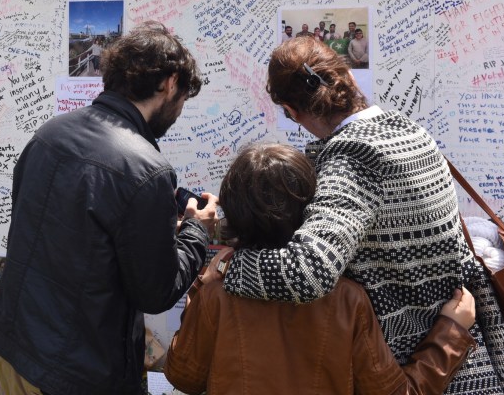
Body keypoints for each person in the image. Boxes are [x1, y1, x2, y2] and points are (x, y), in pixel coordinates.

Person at [220, 37, 504, 394]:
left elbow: (308, 272)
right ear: (349, 78)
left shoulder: (354, 156)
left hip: (414, 372)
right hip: (463, 357)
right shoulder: (409, 131)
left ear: (291, 110)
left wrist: (228, 267)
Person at [0, 21, 219, 395]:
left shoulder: (50, 133)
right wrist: (197, 229)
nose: (178, 112)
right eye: (182, 99)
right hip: (76, 375)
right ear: (170, 83)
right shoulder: (146, 170)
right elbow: (156, 293)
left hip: (15, 348)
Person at [165, 143, 477, 395]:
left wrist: (201, 285)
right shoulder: (347, 299)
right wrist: (451, 332)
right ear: (312, 209)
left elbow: (185, 376)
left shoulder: (217, 294)